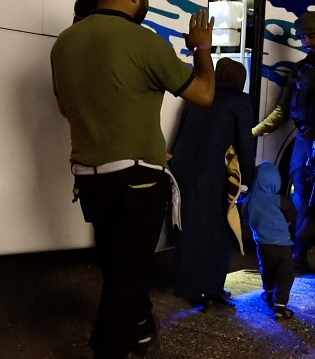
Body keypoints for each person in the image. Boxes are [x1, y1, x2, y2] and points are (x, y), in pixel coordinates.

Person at [50, 0, 216, 357]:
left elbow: (65, 107)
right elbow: (204, 93)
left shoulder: (63, 42)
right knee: (125, 277)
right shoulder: (145, 41)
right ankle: (108, 347)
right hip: (137, 181)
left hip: (90, 180)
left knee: (119, 265)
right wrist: (202, 46)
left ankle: (141, 330)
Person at [252, 11, 315, 291]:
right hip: (303, 142)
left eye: (312, 35)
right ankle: (298, 256)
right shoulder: (300, 69)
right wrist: (257, 130)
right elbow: (284, 109)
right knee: (300, 203)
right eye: (304, 36)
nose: (307, 41)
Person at [170, 57, 256, 310]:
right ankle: (212, 289)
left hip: (183, 171)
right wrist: (246, 181)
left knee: (189, 231)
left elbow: (181, 133)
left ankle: (189, 288)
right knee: (218, 234)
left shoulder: (198, 95)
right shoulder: (240, 101)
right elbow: (245, 143)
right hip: (213, 175)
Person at [241, 161, 297, 320]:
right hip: (282, 245)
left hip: (262, 244)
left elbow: (245, 216)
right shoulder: (278, 199)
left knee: (267, 269)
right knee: (284, 275)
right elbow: (292, 213)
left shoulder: (249, 201)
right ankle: (280, 308)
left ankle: (268, 294)